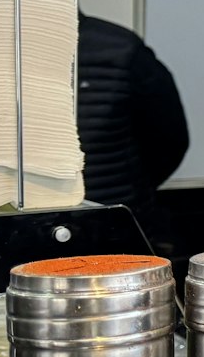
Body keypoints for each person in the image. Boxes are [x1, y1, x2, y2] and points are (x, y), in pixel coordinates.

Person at [77, 11, 190, 215]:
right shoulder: (4, 47)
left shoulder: (120, 49)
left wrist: (135, 185)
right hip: (21, 222)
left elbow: (170, 138)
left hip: (117, 215)